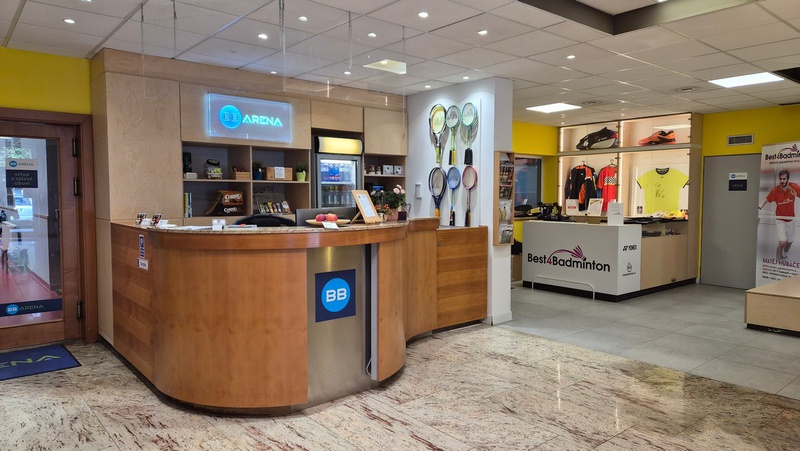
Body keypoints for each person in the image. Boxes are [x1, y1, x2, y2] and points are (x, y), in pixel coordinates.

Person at [759, 169, 800, 260]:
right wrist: (759, 207)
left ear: (787, 179)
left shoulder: (794, 187)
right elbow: (766, 200)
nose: (782, 181)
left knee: (790, 241)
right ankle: (777, 262)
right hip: (780, 219)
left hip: (791, 219)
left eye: (784, 179)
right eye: (780, 179)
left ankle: (784, 256)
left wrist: (796, 194)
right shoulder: (775, 190)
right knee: (782, 242)